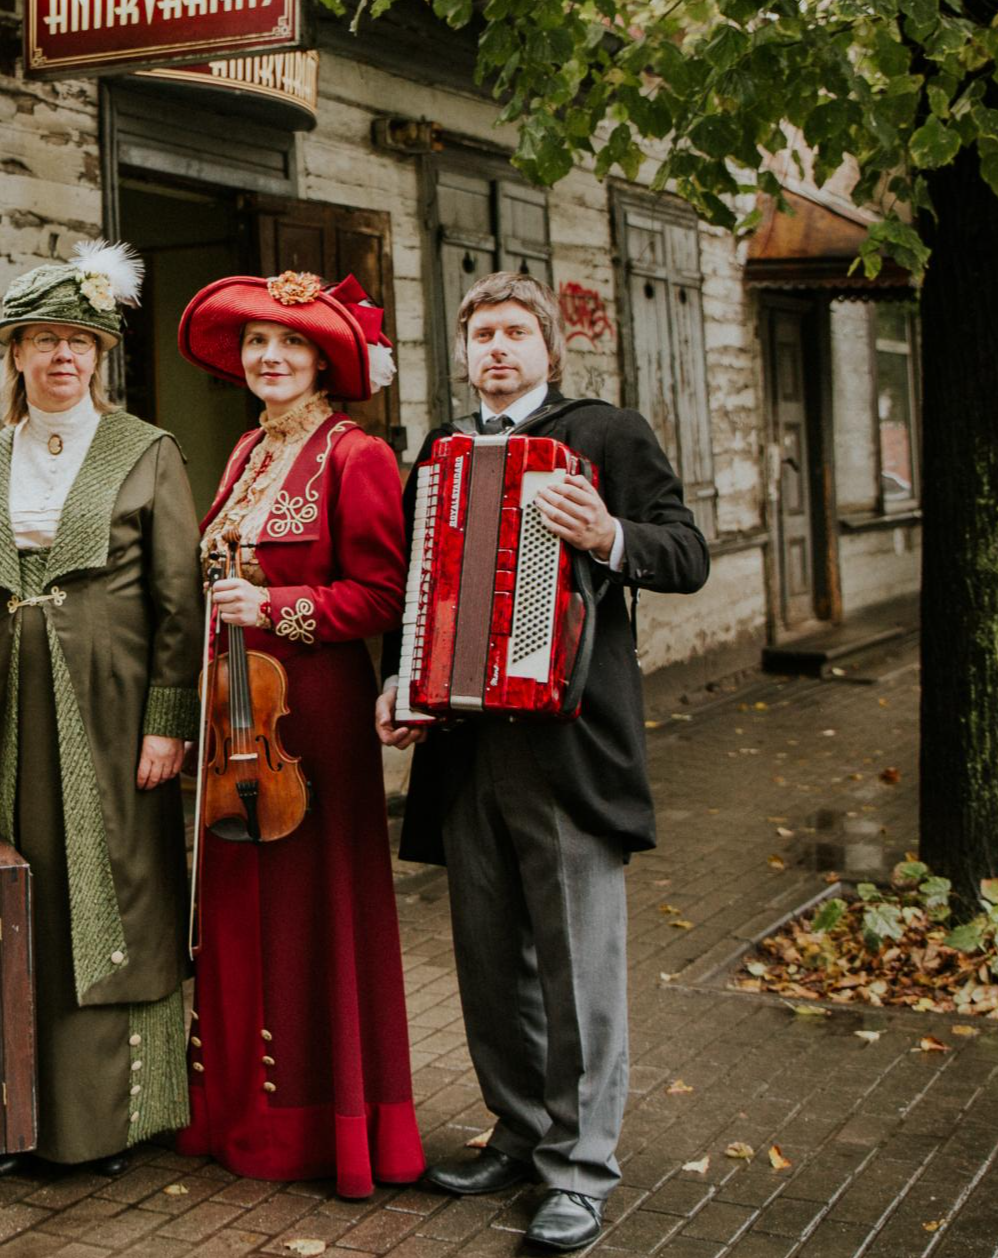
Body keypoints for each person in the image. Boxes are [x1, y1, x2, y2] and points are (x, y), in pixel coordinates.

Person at [377, 270, 710, 1251]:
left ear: (545, 347)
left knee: (577, 967)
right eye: (480, 332)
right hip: (464, 742)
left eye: (513, 332)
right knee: (487, 961)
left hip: (565, 743)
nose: (495, 348)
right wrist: (397, 681)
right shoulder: (439, 450)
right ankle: (518, 1134)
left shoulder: (603, 433)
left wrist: (607, 533)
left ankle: (578, 1166)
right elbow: (414, 586)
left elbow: (684, 551)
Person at [0, 241, 204, 1177]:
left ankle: (112, 1122)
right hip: (13, 717)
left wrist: (169, 720)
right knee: (25, 901)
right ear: (14, 354)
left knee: (117, 896)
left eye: (81, 342)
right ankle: (23, 1115)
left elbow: (181, 594)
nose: (63, 357)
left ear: (99, 356)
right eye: (44, 340)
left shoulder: (144, 451)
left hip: (113, 709)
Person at [171, 271, 424, 1200]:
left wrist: (273, 605)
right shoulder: (243, 452)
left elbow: (380, 595)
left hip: (310, 718)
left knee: (311, 912)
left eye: (288, 346)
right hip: (237, 716)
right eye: (254, 346)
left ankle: (326, 1130)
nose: (268, 359)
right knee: (238, 908)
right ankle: (240, 1116)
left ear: (323, 359)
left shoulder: (354, 455)